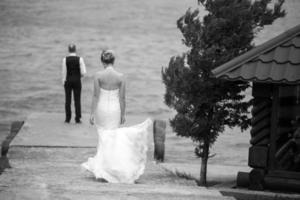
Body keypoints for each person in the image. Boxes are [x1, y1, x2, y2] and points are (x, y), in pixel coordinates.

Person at [81, 50, 152, 183]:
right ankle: (110, 168)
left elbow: (95, 96)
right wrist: (123, 113)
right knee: (112, 137)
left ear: (103, 62)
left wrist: (91, 113)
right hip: (115, 110)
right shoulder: (121, 77)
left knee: (103, 136)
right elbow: (122, 98)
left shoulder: (98, 75)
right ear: (113, 61)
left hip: (101, 108)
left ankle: (104, 169)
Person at [62, 44, 86, 123]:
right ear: (75, 50)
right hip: (77, 81)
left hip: (68, 81)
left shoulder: (65, 59)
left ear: (68, 50)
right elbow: (83, 72)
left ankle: (67, 118)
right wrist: (79, 76)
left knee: (67, 100)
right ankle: (77, 118)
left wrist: (63, 81)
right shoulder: (80, 59)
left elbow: (64, 72)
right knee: (77, 100)